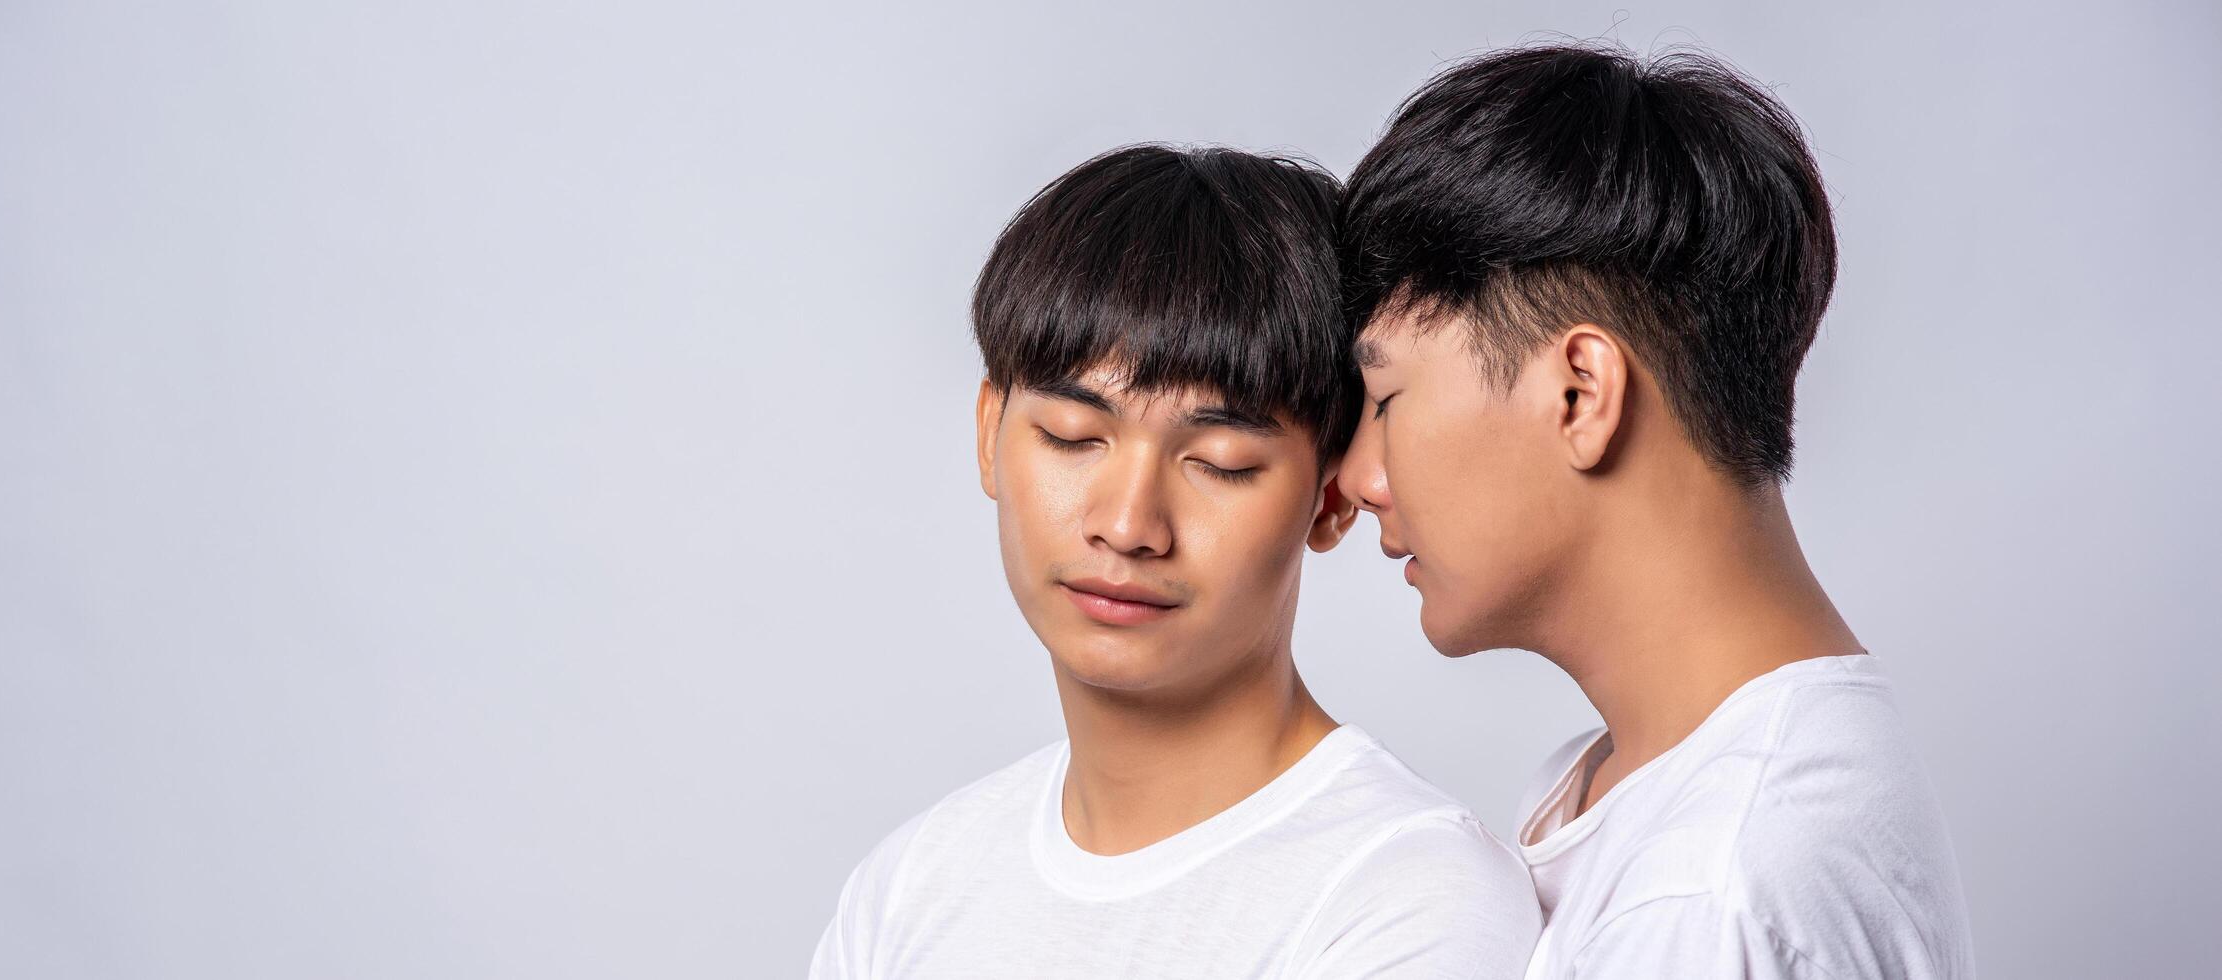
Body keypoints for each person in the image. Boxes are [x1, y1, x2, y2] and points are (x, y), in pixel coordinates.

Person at [809, 144, 1539, 978]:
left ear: (1330, 498)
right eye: (1072, 439)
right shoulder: (913, 887)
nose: (1127, 526)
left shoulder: (1409, 899)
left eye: (1220, 461)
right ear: (989, 434)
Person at [1334, 44, 1975, 978]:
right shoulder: (1632, 788)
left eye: (1385, 403)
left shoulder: (1712, 893)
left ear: (1580, 393)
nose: (1358, 478)